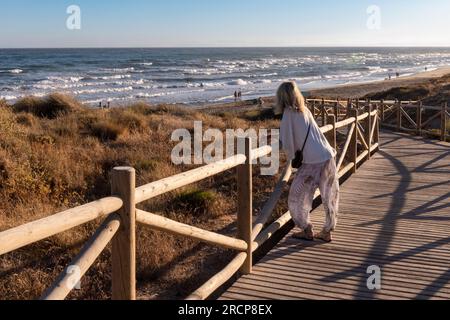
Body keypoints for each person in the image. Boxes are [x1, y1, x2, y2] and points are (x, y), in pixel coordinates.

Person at [274, 81, 340, 242]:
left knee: (297, 198)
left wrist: (289, 156)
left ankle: (306, 229)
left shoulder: (288, 113)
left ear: (281, 97)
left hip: (312, 162)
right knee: (329, 196)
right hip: (326, 156)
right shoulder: (305, 110)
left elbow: (289, 142)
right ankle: (327, 231)